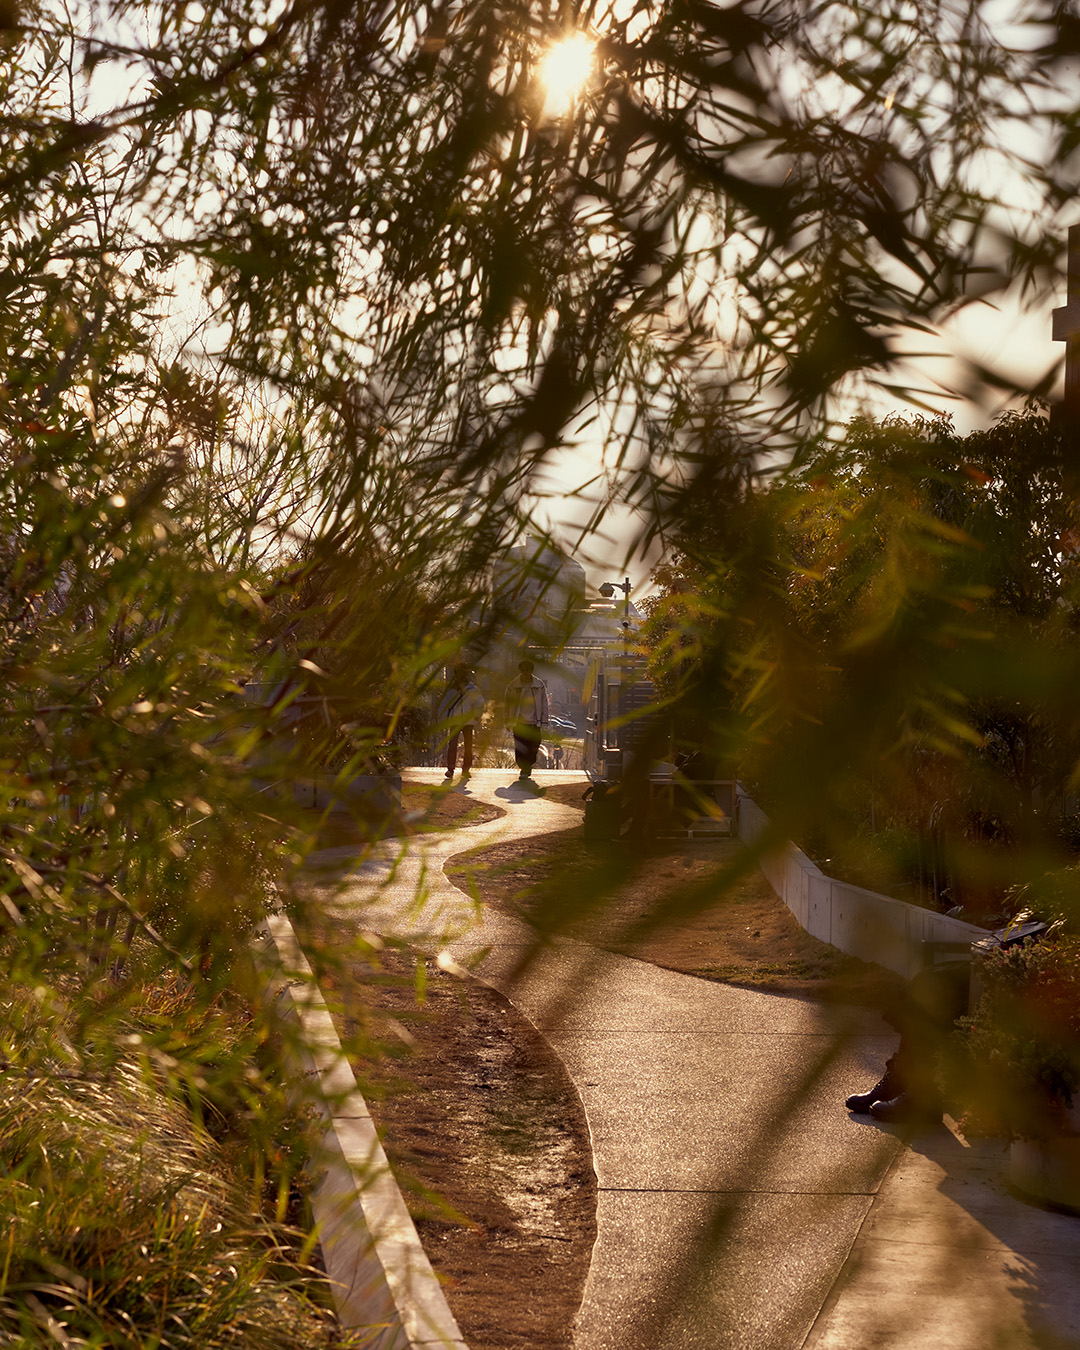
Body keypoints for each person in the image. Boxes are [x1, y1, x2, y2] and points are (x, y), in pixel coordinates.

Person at [503, 658, 549, 785]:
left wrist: (544, 721)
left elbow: (545, 704)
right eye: (522, 670)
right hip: (519, 722)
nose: (524, 672)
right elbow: (507, 704)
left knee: (534, 746)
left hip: (534, 722)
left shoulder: (539, 685)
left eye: (526, 670)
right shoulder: (513, 685)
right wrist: (507, 721)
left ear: (531, 671)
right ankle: (524, 768)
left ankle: (528, 766)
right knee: (520, 747)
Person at [437, 664, 484, 781]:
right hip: (455, 720)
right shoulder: (451, 689)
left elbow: (479, 703)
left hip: (468, 721)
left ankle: (466, 769)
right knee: (452, 745)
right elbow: (445, 704)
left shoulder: (472, 689)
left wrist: (477, 715)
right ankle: (451, 769)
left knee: (467, 746)